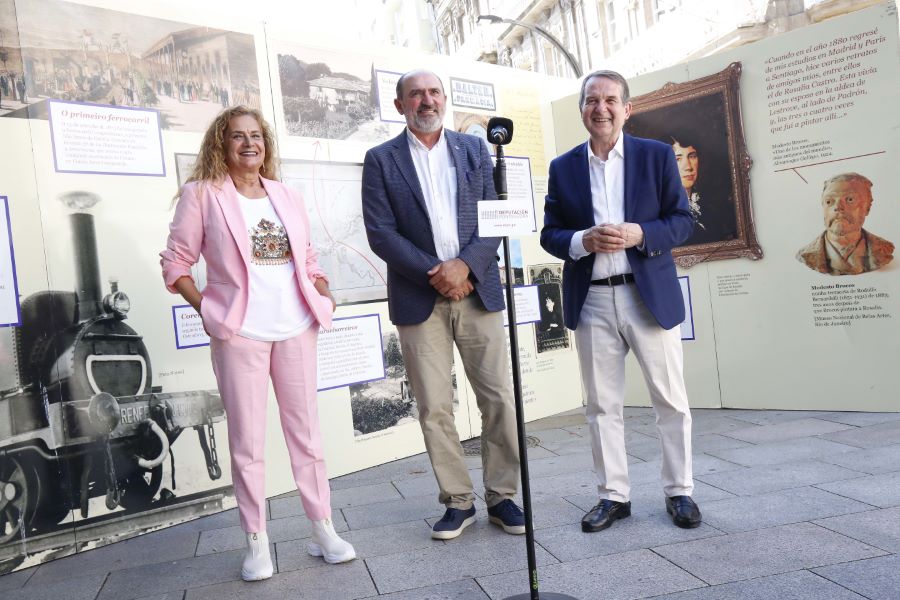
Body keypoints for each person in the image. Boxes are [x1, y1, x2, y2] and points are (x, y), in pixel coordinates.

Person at [160, 106, 355, 581]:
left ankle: (321, 528)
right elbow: (175, 261)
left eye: (256, 136)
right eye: (237, 137)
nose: (249, 144)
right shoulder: (203, 195)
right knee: (247, 443)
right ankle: (256, 541)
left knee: (306, 435)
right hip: (240, 333)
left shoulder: (285, 194)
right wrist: (206, 308)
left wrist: (321, 285)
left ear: (266, 144)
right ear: (220, 145)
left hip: (295, 327)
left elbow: (306, 256)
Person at [361, 69, 524, 540]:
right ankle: (458, 501)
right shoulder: (380, 160)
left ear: (445, 100)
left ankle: (503, 496)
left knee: (498, 398)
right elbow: (381, 232)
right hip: (419, 296)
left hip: (478, 290)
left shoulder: (475, 149)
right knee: (435, 406)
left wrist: (465, 268)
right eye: (416, 94)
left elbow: (495, 218)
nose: (426, 101)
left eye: (433, 93)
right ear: (400, 105)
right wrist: (436, 271)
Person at [540, 70, 702, 532]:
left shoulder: (654, 157)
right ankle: (613, 496)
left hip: (646, 295)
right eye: (592, 100)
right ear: (582, 110)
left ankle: (680, 492)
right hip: (591, 299)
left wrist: (641, 233)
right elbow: (550, 234)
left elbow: (681, 221)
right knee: (601, 406)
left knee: (670, 400)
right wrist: (580, 241)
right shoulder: (563, 167)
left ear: (627, 109)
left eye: (611, 100)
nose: (601, 108)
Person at [796, 172, 894, 275]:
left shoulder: (883, 249)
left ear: (868, 207)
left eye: (850, 200)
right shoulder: (806, 254)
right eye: (829, 201)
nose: (838, 207)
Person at [669, 131, 737, 246]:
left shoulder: (714, 207)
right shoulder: (660, 212)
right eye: (677, 159)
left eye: (692, 156)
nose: (688, 167)